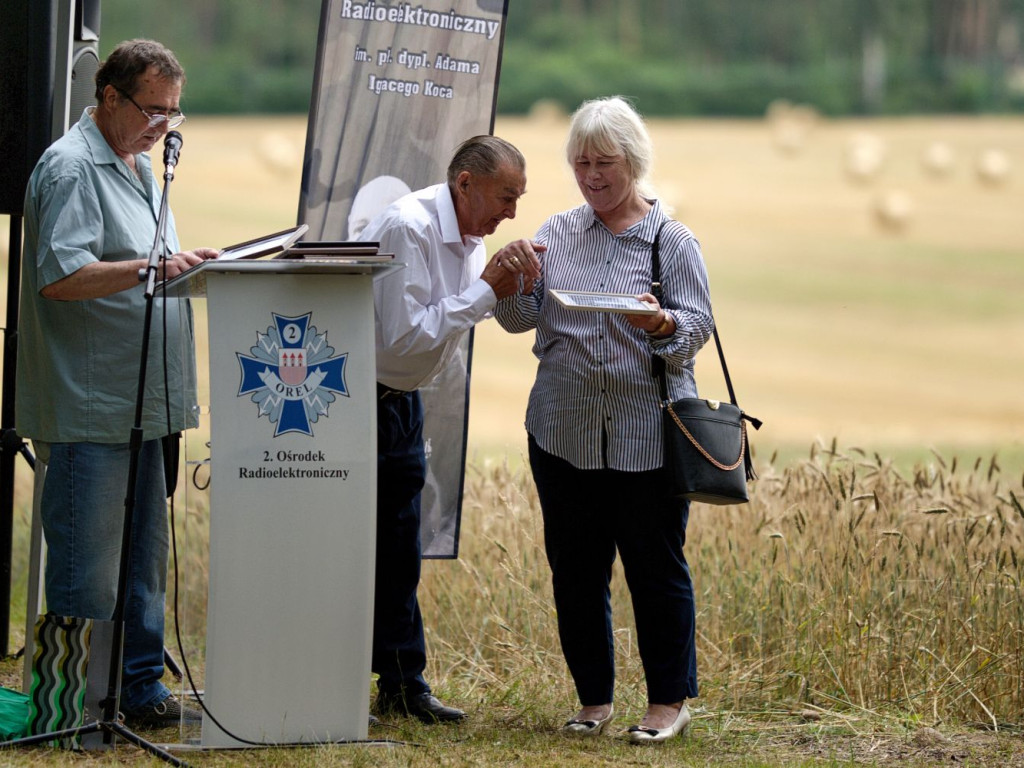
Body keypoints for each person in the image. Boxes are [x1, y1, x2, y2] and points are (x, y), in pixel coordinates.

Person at [494, 96, 713, 743]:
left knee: (655, 569)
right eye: (581, 162)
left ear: (634, 162)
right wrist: (511, 282)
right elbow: (517, 319)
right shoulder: (556, 233)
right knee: (576, 572)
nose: (591, 175)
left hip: (647, 438)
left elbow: (697, 327)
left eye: (604, 162)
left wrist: (660, 322)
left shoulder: (670, 241)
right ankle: (594, 700)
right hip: (562, 431)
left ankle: (667, 704)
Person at [16, 39, 217, 728]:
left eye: (174, 111)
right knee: (85, 572)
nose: (165, 124)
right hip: (91, 409)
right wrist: (148, 270)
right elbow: (61, 276)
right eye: (153, 109)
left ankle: (136, 693)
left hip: (144, 406)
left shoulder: (133, 163)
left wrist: (187, 267)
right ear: (109, 97)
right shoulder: (72, 168)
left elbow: (144, 265)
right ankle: (70, 712)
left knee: (141, 567)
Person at [361, 135, 543, 723]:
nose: (511, 212)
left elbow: (445, 319)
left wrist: (499, 289)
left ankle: (401, 686)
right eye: (505, 197)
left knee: (399, 550)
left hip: (401, 401)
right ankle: (387, 682)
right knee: (372, 547)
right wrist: (487, 290)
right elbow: (404, 335)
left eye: (518, 200)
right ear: (464, 184)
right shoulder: (407, 226)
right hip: (363, 401)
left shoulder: (469, 234)